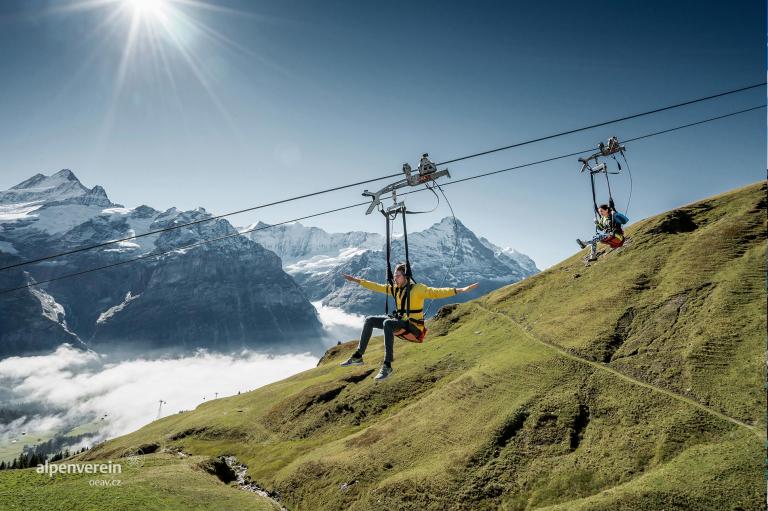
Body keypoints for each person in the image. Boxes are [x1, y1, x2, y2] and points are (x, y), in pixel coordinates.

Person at [339, 263, 479, 381]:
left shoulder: (418, 289)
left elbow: (436, 292)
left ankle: (387, 365)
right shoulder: (396, 290)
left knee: (387, 323)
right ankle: (358, 356)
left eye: (397, 275)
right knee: (369, 320)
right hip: (401, 323)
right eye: (394, 275)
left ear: (405, 276)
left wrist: (460, 290)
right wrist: (357, 280)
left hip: (414, 327)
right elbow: (377, 286)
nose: (395, 278)